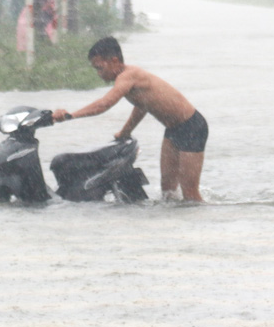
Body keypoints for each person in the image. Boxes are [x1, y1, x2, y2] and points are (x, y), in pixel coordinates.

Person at [52, 36, 208, 202]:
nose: (99, 74)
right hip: (173, 130)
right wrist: (126, 131)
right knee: (168, 190)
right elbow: (142, 106)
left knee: (190, 194)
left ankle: (204, 224)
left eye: (100, 68)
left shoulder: (128, 76)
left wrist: (71, 115)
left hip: (192, 127)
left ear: (114, 60)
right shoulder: (129, 81)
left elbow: (104, 104)